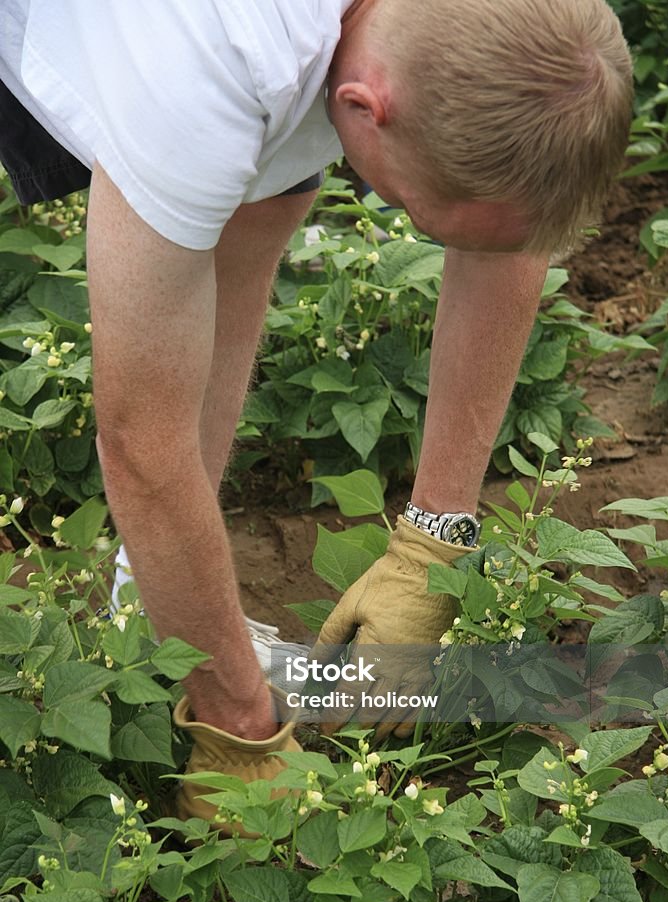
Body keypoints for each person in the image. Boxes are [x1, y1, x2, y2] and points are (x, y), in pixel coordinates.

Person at [0, 0, 633, 824]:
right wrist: (238, 724)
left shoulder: (530, 36)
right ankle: (167, 629)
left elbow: (504, 227)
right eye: (410, 212)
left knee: (258, 205)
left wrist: (434, 538)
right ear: (361, 107)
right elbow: (141, 444)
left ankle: (148, 608)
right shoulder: (203, 71)